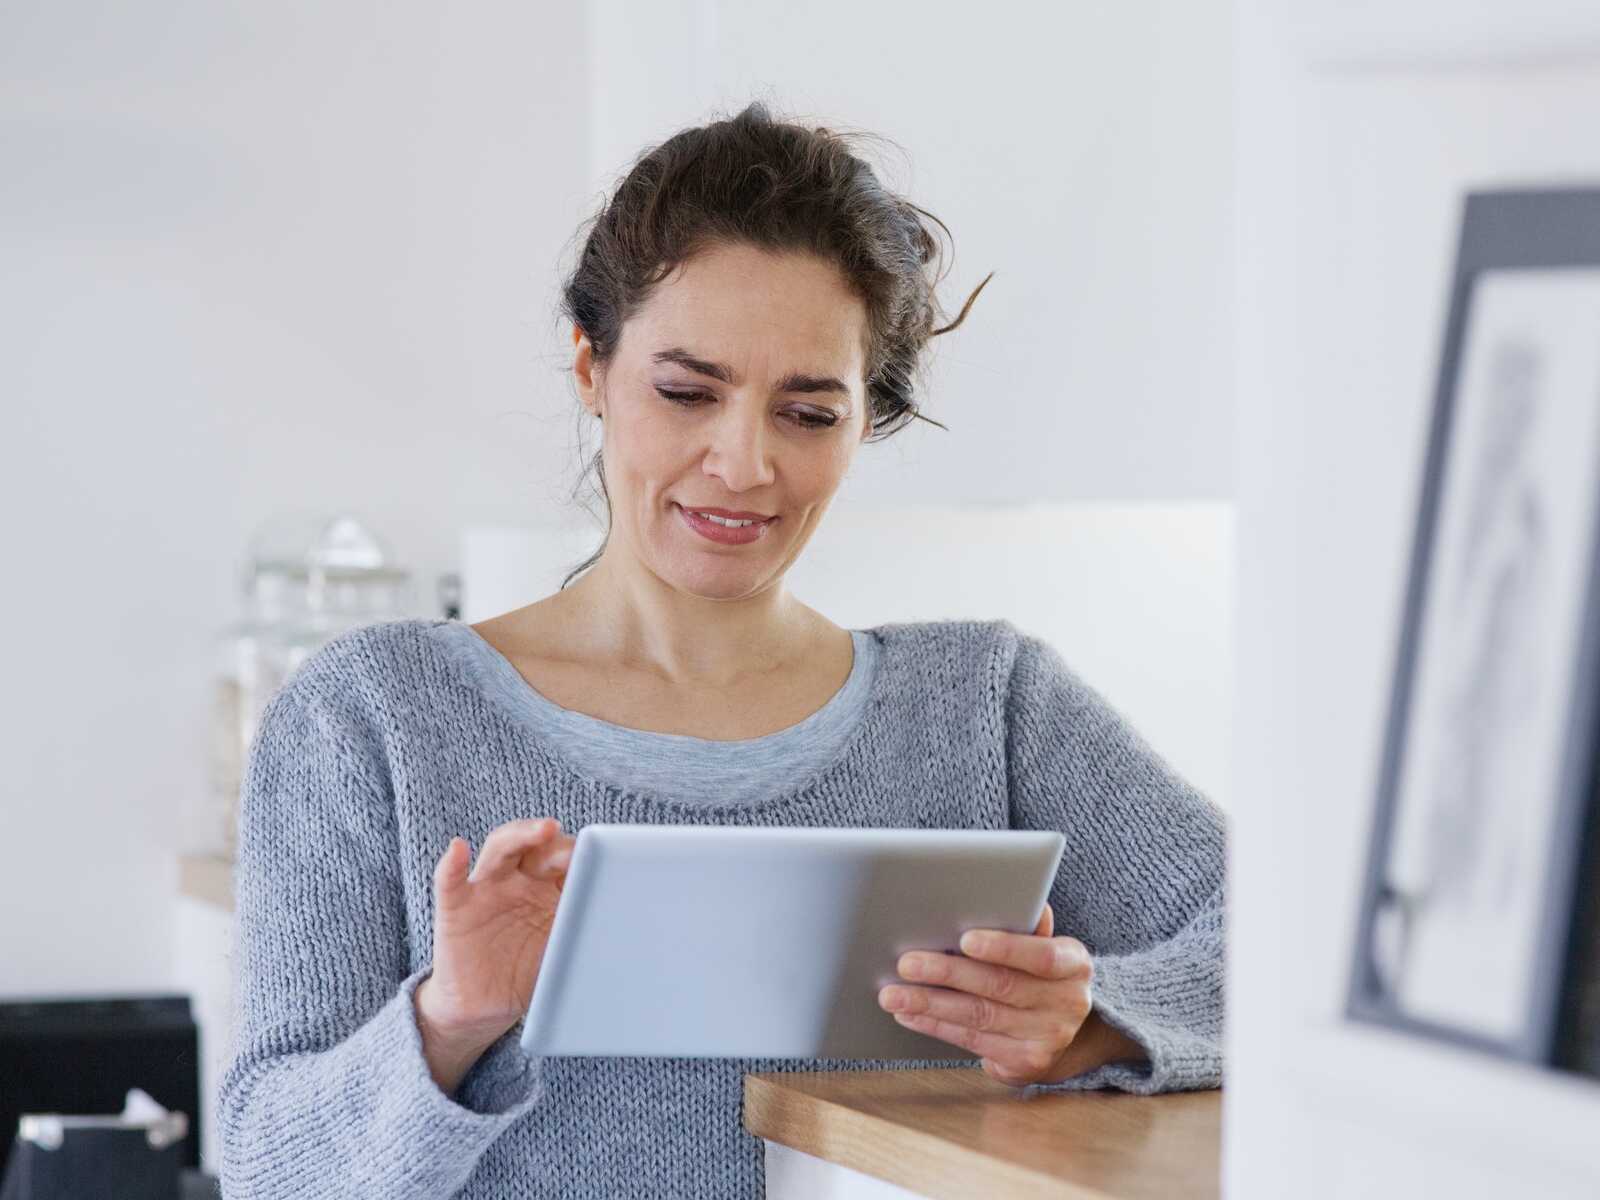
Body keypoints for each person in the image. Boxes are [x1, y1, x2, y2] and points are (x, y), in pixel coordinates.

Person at [217, 101, 1226, 1199]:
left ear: (865, 420)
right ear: (590, 368)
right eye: (687, 392)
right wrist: (448, 1020)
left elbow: (1281, 943)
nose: (743, 464)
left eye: (808, 413)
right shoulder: (373, 718)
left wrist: (1089, 1027)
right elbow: (270, 1167)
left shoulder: (987, 706)